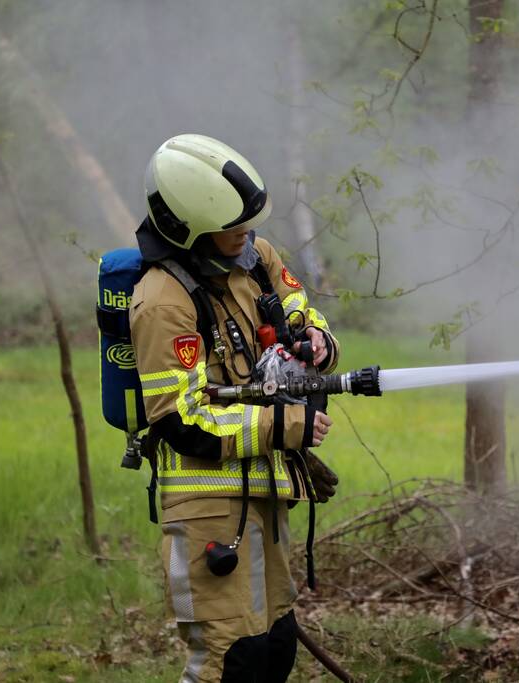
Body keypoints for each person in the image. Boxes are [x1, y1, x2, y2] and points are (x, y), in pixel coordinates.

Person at [129, 133, 338, 682]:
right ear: (187, 228)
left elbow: (299, 311)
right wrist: (288, 424)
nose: (247, 235)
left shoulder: (256, 257)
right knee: (230, 662)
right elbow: (182, 419)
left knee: (275, 649)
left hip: (264, 492)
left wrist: (315, 340)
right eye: (232, 227)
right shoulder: (162, 301)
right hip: (207, 506)